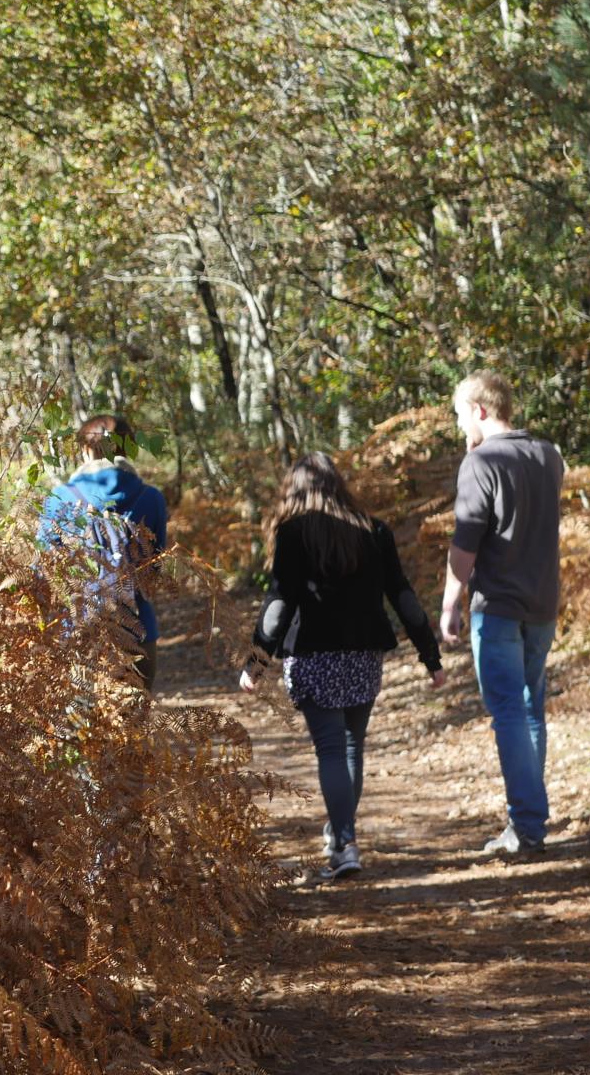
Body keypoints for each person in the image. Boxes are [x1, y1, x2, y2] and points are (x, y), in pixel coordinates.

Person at [240, 453, 445, 879]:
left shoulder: (294, 533)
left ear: (294, 489)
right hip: (363, 658)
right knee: (352, 747)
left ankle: (345, 844)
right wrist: (430, 656)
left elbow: (279, 604)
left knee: (332, 749)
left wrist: (256, 663)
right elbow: (402, 595)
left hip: (314, 657)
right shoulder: (374, 531)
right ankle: (340, 834)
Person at [439, 370, 565, 857]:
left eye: (459, 414)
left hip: (498, 607)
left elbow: (465, 542)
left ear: (480, 411)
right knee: (531, 708)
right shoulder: (549, 455)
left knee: (509, 712)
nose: (458, 425)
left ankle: (527, 825)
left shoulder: (481, 462)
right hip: (543, 603)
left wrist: (451, 602)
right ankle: (531, 817)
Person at [37, 414, 168, 687]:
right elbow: (155, 568)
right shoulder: (151, 498)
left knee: (82, 726)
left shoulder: (60, 500)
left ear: (86, 450)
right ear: (129, 448)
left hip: (79, 634)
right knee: (134, 723)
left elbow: (43, 573)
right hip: (139, 630)